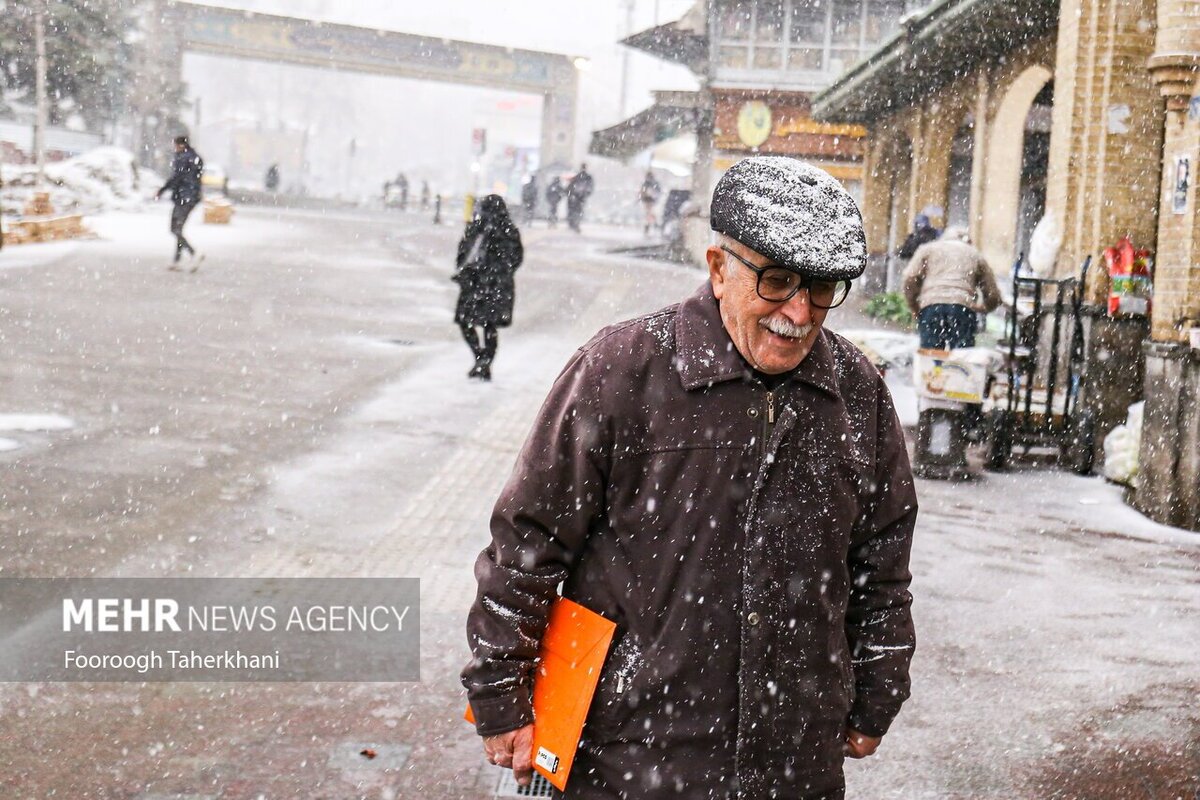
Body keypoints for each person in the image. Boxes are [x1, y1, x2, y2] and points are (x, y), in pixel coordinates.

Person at [463, 156, 917, 798]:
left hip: (793, 764)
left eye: (823, 288)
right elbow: (527, 543)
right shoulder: (621, 370)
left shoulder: (856, 395)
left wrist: (878, 687)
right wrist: (502, 692)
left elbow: (881, 562)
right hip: (629, 757)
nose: (801, 312)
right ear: (717, 268)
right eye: (778, 281)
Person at [452, 195, 523, 381]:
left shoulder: (476, 228)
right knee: (489, 326)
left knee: (466, 322)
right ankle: (485, 361)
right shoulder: (509, 230)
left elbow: (462, 253)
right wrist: (502, 273)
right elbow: (516, 258)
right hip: (497, 285)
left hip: (476, 283)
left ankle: (480, 357)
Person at [902, 225, 1002, 349]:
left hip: (931, 307)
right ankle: (956, 367)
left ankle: (933, 366)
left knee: (930, 357)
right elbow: (992, 292)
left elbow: (909, 277)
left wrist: (914, 305)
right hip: (962, 309)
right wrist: (985, 307)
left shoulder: (928, 250)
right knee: (962, 359)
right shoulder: (975, 254)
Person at [156, 135, 204, 272]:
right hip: (192, 197)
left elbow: (177, 178)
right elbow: (196, 177)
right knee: (178, 229)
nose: (175, 148)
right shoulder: (195, 157)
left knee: (175, 229)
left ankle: (194, 253)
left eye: (176, 145)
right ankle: (176, 261)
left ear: (181, 145)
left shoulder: (182, 158)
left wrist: (162, 190)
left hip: (183, 197)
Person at [565, 162, 594, 232]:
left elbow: (571, 186)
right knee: (579, 210)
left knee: (575, 210)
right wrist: (586, 193)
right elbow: (590, 187)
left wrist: (569, 193)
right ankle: (576, 223)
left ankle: (574, 223)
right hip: (582, 196)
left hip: (576, 196)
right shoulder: (588, 177)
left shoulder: (577, 176)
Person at [639, 169, 662, 236]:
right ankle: (653, 226)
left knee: (649, 214)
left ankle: (651, 226)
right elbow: (642, 192)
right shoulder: (649, 183)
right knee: (650, 214)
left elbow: (642, 192)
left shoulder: (650, 183)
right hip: (649, 200)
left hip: (650, 200)